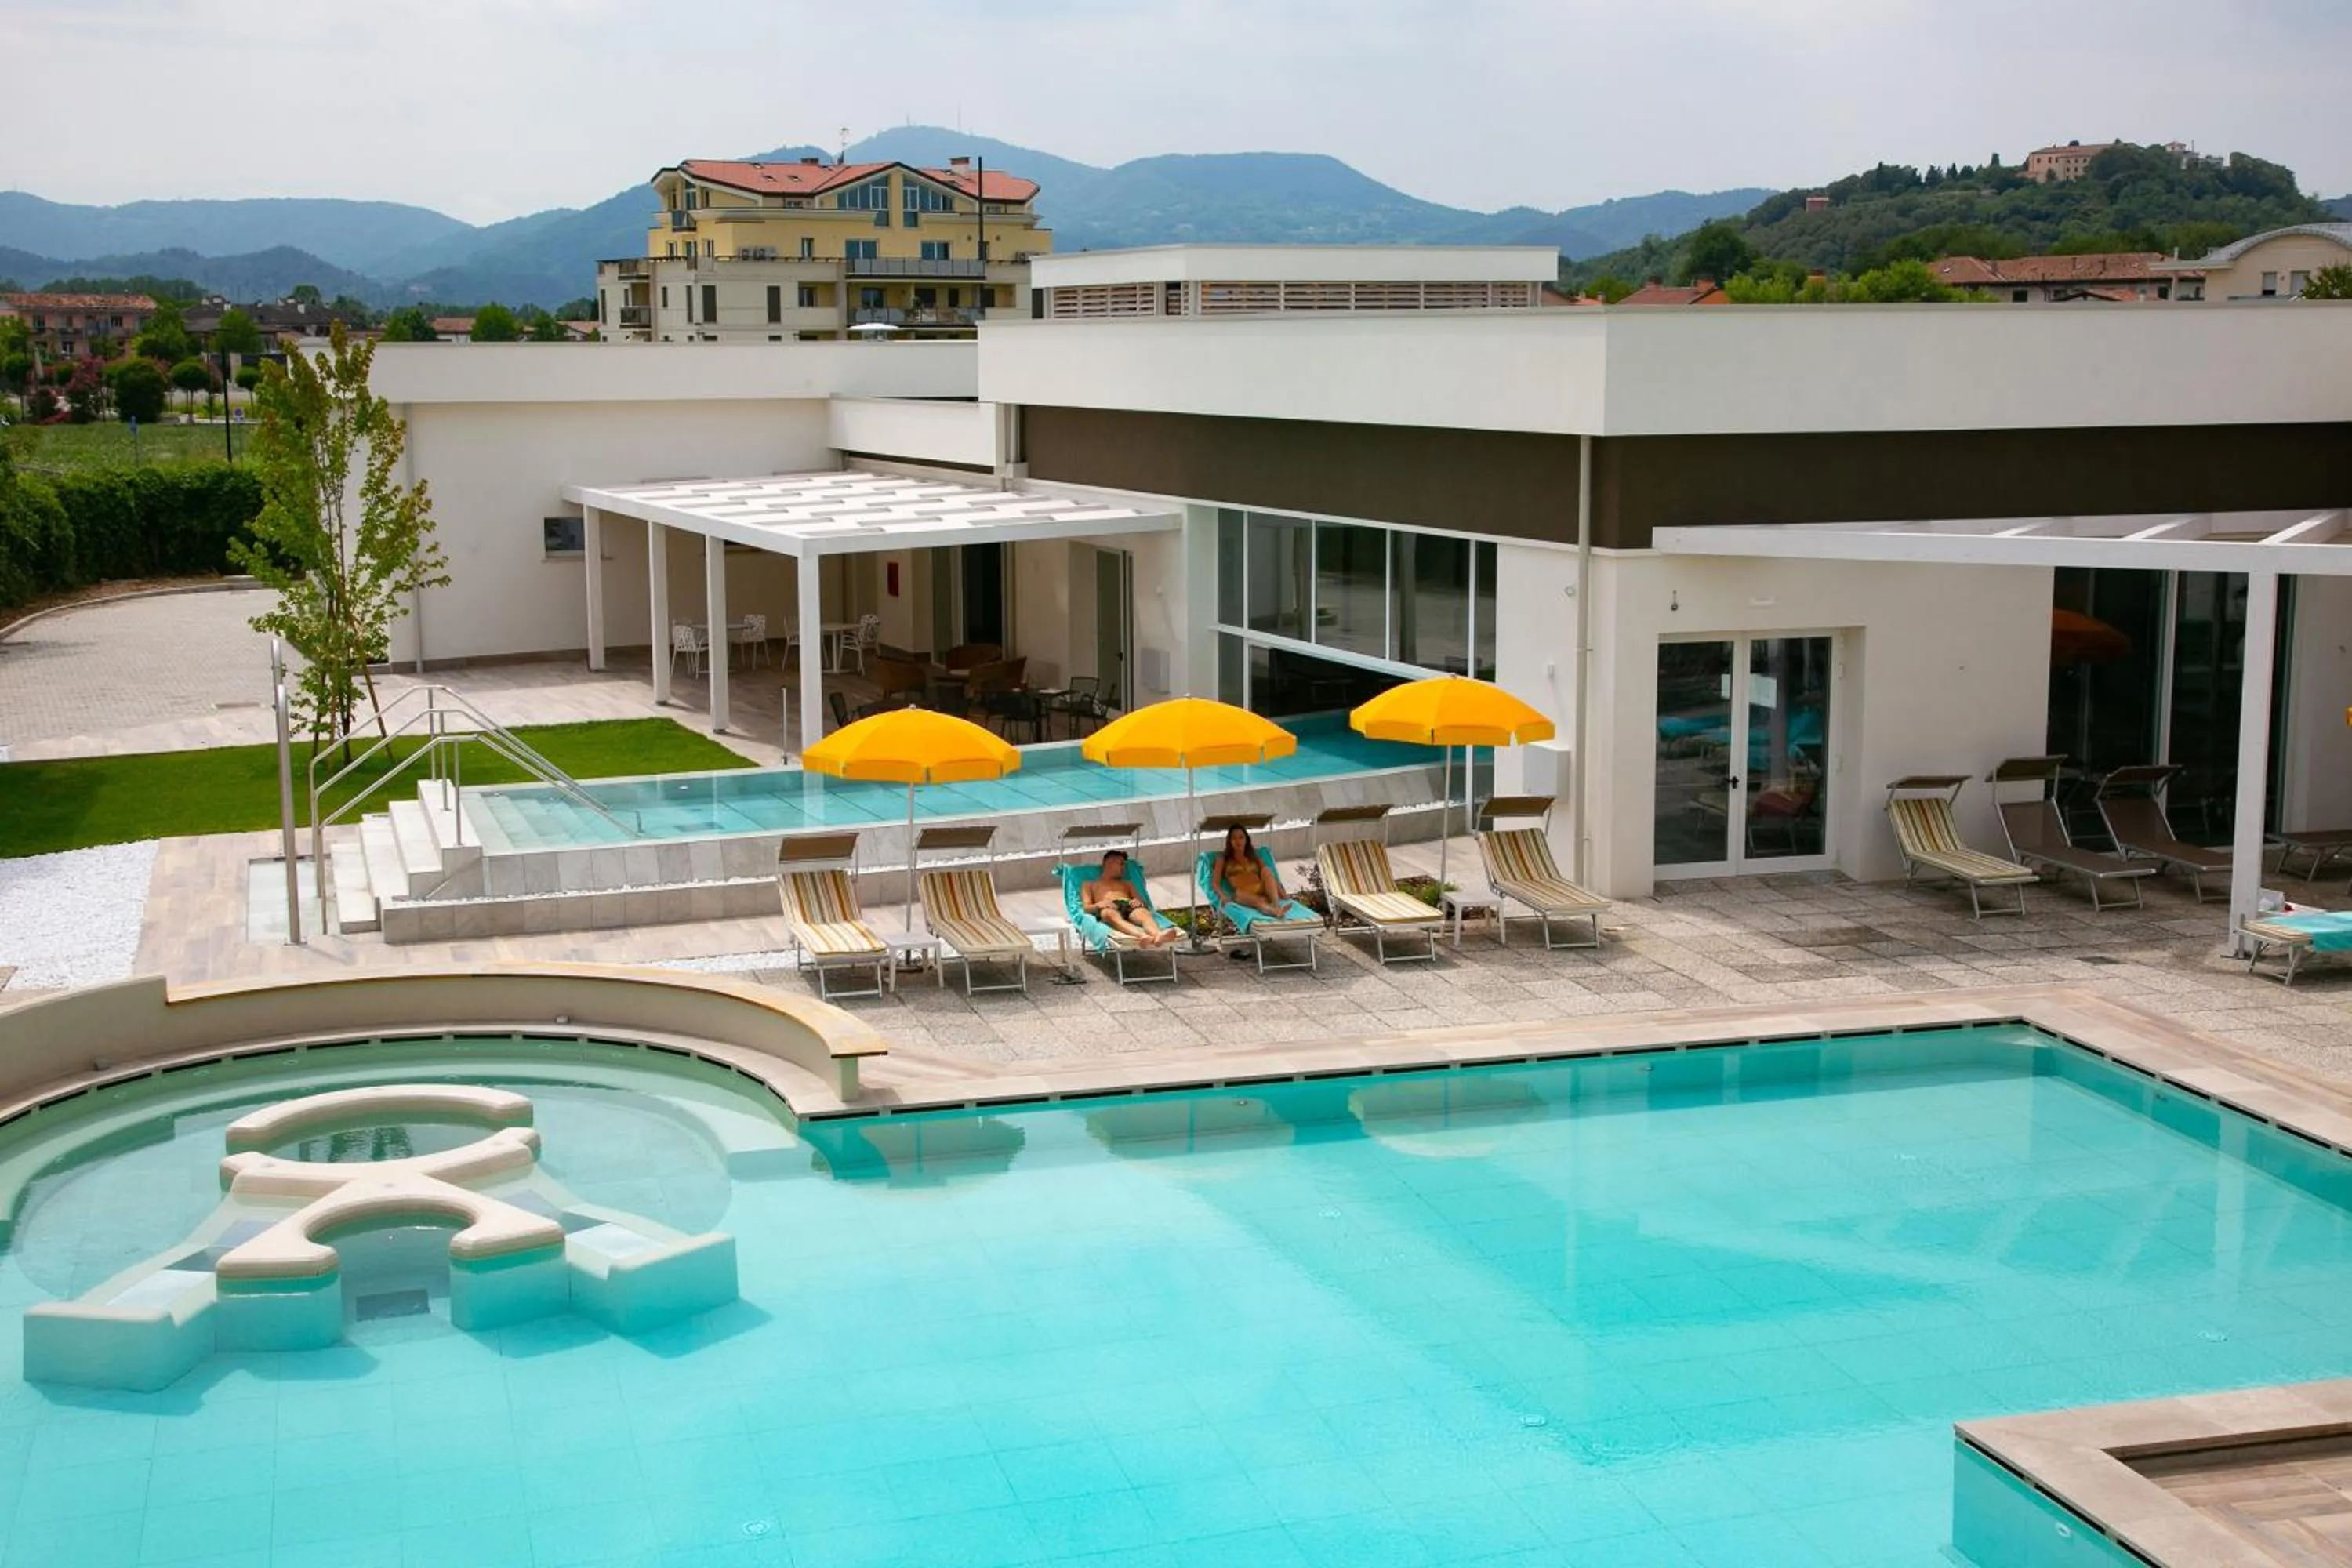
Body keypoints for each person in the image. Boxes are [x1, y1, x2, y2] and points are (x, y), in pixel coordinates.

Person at [1082, 849, 1181, 946]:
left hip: (1128, 904)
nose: (1124, 869)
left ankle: (1158, 935)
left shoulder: (1126, 884)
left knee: (1143, 914)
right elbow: (1086, 908)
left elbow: (1144, 904)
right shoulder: (1090, 885)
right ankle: (1142, 936)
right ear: (1109, 863)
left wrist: (1139, 903)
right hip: (1108, 906)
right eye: (1121, 864)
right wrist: (1099, 905)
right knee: (1109, 914)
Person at [1214, 825, 1289, 918]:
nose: (1238, 841)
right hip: (1242, 893)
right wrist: (1222, 896)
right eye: (1234, 838)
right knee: (1258, 901)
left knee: (1266, 870)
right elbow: (1215, 883)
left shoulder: (1254, 857)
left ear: (1246, 840)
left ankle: (1276, 905)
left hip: (1261, 888)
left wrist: (1283, 894)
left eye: (1241, 837)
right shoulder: (1223, 859)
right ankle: (1275, 912)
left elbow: (1270, 876)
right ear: (1229, 841)